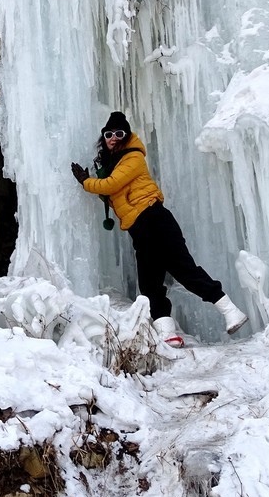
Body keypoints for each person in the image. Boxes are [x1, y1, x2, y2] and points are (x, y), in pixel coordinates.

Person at [70, 111, 248, 348]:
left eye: (119, 133)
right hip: (139, 227)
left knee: (184, 270)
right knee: (150, 282)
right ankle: (167, 332)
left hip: (155, 219)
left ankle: (230, 311)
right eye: (108, 134)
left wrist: (86, 182)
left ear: (127, 136)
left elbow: (111, 185)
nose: (113, 138)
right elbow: (113, 193)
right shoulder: (114, 163)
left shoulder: (133, 157)